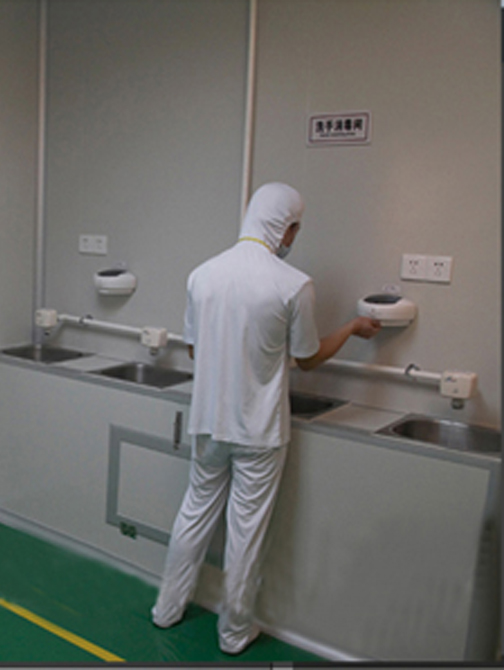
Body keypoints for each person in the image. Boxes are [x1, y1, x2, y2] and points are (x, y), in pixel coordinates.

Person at [151, 182, 381, 654]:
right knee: (246, 534)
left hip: (208, 422)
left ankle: (166, 609)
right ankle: (234, 633)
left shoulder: (203, 275)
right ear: (285, 225)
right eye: (295, 228)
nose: (294, 237)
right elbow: (308, 358)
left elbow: (194, 349)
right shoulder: (292, 284)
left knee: (193, 515)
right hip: (258, 432)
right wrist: (353, 328)